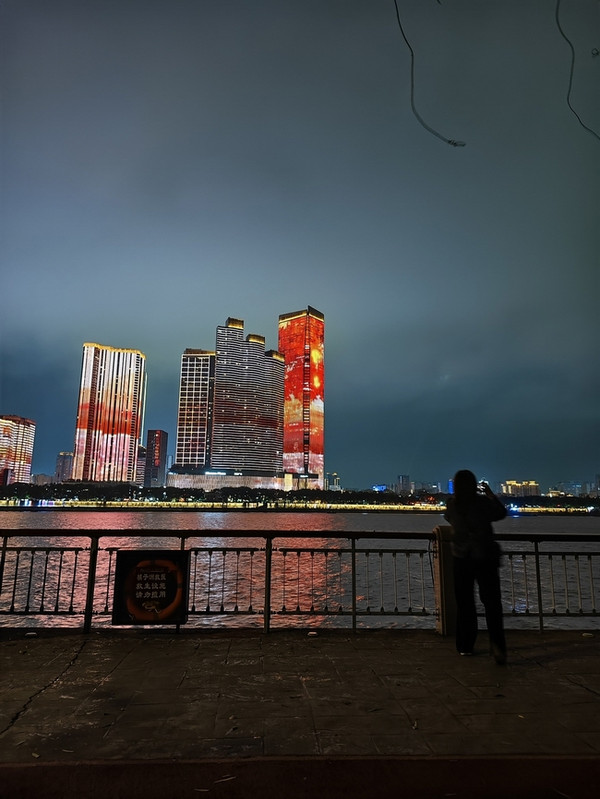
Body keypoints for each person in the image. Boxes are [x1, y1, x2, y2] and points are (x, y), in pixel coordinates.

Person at [444, 469, 507, 664]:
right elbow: (501, 513)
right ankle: (497, 645)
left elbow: (448, 517)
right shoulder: (482, 503)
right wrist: (489, 494)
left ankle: (465, 645)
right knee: (492, 603)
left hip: (461, 559)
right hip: (485, 558)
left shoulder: (452, 504)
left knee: (465, 603)